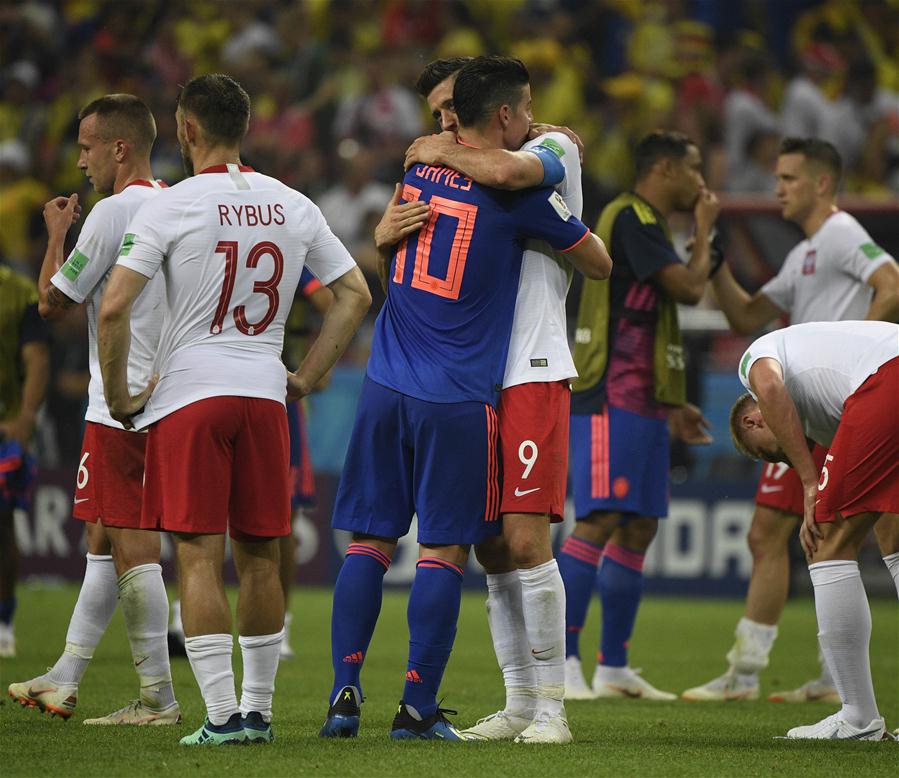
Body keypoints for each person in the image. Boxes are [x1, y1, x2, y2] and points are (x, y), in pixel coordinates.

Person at [320, 56, 609, 742]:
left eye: (452, 110)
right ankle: (509, 702)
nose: (442, 125)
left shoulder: (546, 150)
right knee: (481, 548)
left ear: (492, 108)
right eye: (435, 118)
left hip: (522, 366)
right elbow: (406, 243)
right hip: (467, 381)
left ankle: (550, 708)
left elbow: (510, 178)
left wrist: (434, 158)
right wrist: (381, 238)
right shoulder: (453, 168)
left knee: (520, 538)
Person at [97, 74, 370, 746]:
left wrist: (121, 396)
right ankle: (259, 712)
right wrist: (304, 378)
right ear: (243, 127)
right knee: (258, 557)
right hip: (262, 396)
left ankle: (221, 718)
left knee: (196, 555)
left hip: (190, 393)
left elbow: (112, 307)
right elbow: (356, 294)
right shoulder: (293, 203)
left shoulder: (172, 205)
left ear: (187, 129)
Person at [683, 137, 899, 703]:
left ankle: (814, 691)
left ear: (822, 184)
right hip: (838, 402)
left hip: (844, 400)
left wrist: (866, 355)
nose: (776, 188)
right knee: (878, 532)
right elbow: (745, 313)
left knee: (802, 537)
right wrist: (715, 257)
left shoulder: (842, 233)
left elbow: (891, 282)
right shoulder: (803, 255)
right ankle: (822, 680)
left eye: (788, 178)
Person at [7, 94, 181, 725]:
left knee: (132, 543)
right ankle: (68, 672)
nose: (79, 161)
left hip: (120, 401)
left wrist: (57, 236)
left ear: (119, 148)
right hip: (166, 395)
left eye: (86, 147)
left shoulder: (111, 212)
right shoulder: (174, 202)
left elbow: (52, 302)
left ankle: (157, 698)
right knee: (104, 536)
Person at [560, 130, 717, 700]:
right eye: (694, 168)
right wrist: (704, 232)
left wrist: (672, 400)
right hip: (608, 394)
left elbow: (652, 318)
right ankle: (565, 663)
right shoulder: (632, 217)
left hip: (645, 400)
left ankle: (614, 667)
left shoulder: (647, 222)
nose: (702, 181)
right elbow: (690, 288)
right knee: (598, 520)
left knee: (640, 524)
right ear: (668, 168)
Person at [731, 320, 899, 740]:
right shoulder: (827, 413)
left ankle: (859, 719)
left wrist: (809, 483)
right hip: (887, 369)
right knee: (894, 536)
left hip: (886, 375)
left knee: (826, 542)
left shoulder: (752, 362)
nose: (786, 459)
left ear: (753, 422)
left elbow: (770, 391)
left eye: (772, 454)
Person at [0, 264, 50, 659]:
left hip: (4, 425)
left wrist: (26, 417)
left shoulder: (18, 293)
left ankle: (4, 620)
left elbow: (36, 359)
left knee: (2, 524)